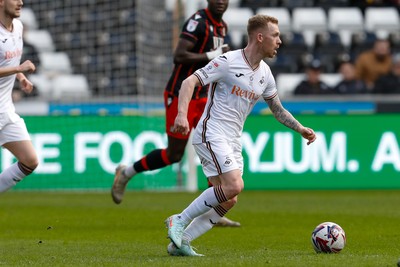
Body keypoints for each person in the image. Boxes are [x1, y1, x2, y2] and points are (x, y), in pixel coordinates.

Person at [165, 14, 316, 256]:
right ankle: (179, 220)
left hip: (233, 140)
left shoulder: (265, 73)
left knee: (228, 199)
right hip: (211, 132)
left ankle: (179, 244)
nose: (279, 41)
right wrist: (181, 115)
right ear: (260, 37)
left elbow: (277, 109)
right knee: (234, 185)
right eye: (275, 35)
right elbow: (189, 82)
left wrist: (300, 128)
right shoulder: (227, 61)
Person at [111, 0, 240, 227]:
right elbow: (179, 55)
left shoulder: (222, 27)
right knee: (174, 154)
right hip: (180, 93)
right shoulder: (198, 22)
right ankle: (126, 173)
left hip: (203, 97)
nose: (220, 1)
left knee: (212, 146)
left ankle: (212, 209)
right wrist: (214, 54)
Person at [0, 0, 38, 193]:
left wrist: (21, 77)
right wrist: (19, 68)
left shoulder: (19, 27)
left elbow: (8, 58)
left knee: (30, 161)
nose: (21, 2)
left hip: (5, 111)